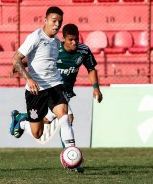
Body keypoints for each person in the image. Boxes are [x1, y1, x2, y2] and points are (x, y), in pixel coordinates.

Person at [10, 23, 103, 173]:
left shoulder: (83, 51)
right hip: (47, 89)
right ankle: (71, 158)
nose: (74, 42)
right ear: (64, 39)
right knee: (65, 119)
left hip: (62, 93)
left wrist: (96, 88)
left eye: (76, 39)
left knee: (47, 121)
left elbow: (91, 69)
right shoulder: (55, 48)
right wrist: (18, 65)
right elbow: (35, 60)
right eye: (71, 39)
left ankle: (21, 120)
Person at [10, 7, 76, 150]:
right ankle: (21, 122)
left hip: (55, 85)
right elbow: (16, 58)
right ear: (45, 21)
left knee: (65, 117)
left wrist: (24, 64)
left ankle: (71, 155)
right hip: (36, 90)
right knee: (37, 133)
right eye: (54, 21)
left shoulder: (57, 41)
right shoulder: (35, 37)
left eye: (60, 22)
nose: (57, 25)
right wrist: (28, 78)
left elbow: (41, 60)